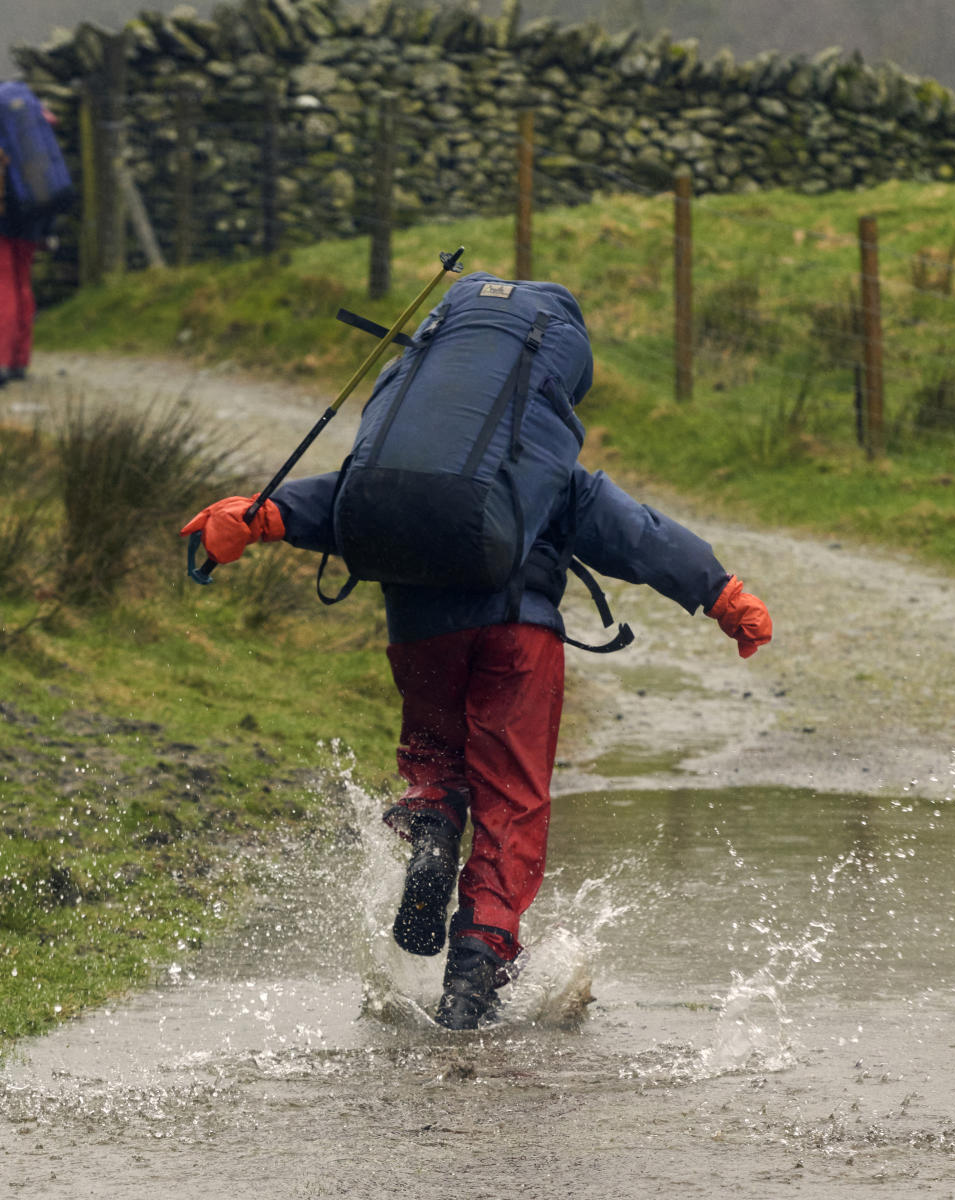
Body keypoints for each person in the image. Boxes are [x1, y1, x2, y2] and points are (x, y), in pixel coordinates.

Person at [180, 286, 772, 1032]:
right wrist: (723, 594)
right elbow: (640, 535)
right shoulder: (548, 465)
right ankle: (477, 964)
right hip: (517, 640)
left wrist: (258, 515)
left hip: (421, 628)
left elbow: (343, 502)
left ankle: (430, 829)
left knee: (434, 757)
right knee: (511, 801)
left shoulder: (420, 453)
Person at [0, 86, 70, 386]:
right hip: (32, 209)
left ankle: (1, 360)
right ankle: (18, 360)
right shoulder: (28, 113)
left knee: (3, 285)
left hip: (3, 213)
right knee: (21, 282)